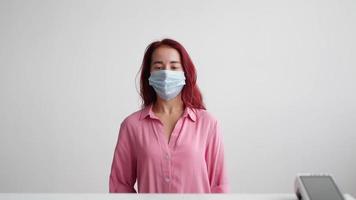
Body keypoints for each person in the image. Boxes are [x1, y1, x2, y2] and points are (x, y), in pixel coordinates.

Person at [109, 38, 229, 193]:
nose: (166, 73)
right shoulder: (131, 125)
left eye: (174, 67)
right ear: (149, 75)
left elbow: (219, 186)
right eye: (158, 67)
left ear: (185, 73)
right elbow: (120, 185)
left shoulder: (208, 123)